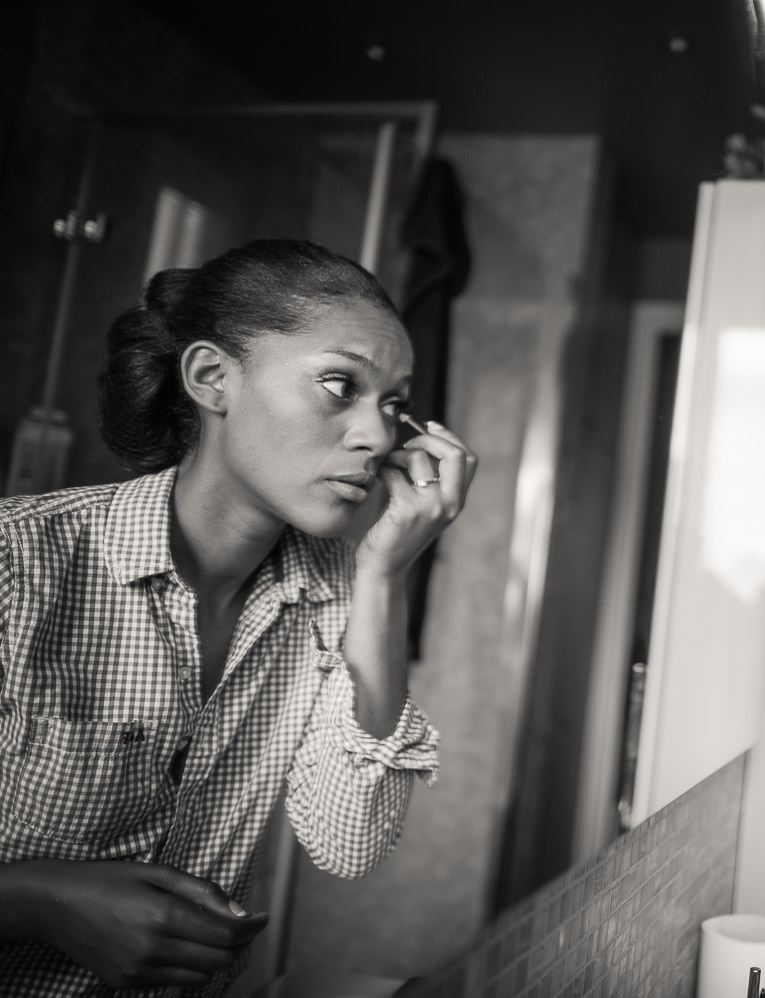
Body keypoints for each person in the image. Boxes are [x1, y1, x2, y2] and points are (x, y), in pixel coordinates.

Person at [0, 239, 477, 996]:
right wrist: (35, 900)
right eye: (337, 384)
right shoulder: (17, 564)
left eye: (393, 404)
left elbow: (346, 842)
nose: (379, 436)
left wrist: (384, 576)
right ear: (212, 378)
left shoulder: (334, 600)